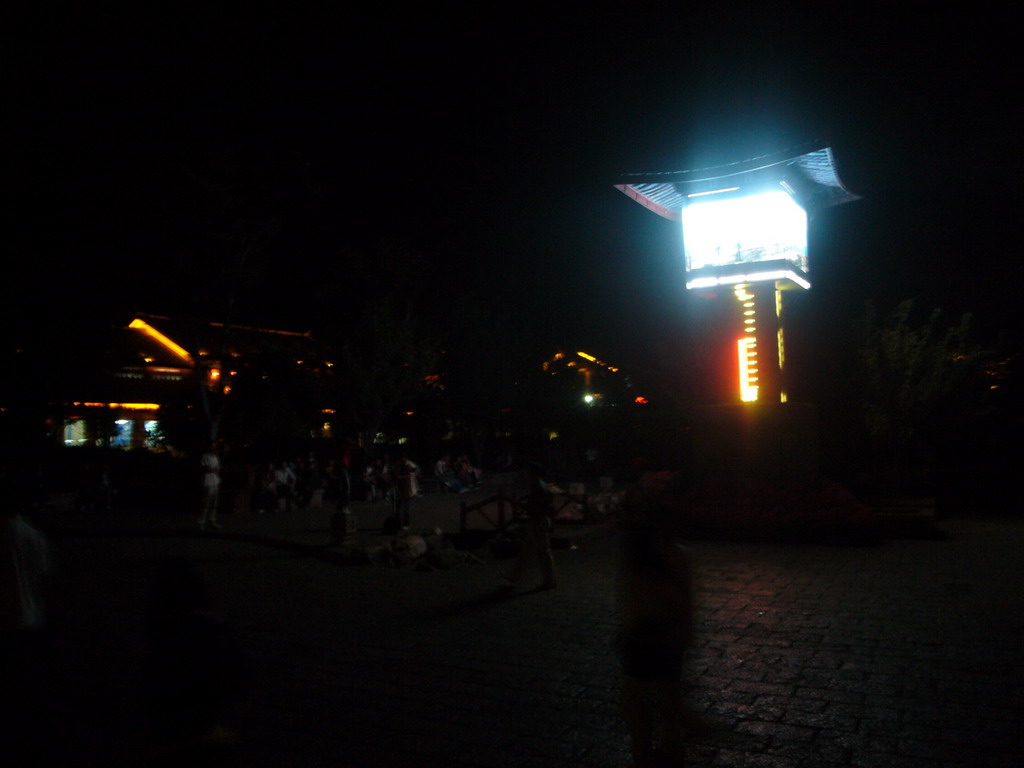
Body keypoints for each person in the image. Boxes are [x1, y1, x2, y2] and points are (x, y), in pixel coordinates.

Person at [615, 471, 699, 768]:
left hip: (648, 631)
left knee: (638, 700)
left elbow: (642, 597)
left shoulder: (649, 552)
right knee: (664, 699)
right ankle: (669, 750)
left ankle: (647, 755)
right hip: (662, 632)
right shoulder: (672, 553)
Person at [502, 462, 557, 590]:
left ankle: (549, 581)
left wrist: (516, 503)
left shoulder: (537, 486)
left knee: (541, 552)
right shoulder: (541, 485)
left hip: (538, 521)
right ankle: (514, 576)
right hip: (539, 520)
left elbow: (535, 506)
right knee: (529, 550)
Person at [199, 441, 222, 530]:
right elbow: (207, 468)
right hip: (208, 481)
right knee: (207, 502)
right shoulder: (205, 456)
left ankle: (212, 520)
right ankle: (202, 521)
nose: (214, 448)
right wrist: (214, 469)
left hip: (215, 480)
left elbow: (217, 468)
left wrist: (216, 470)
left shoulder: (216, 457)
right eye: (213, 446)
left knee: (214, 502)